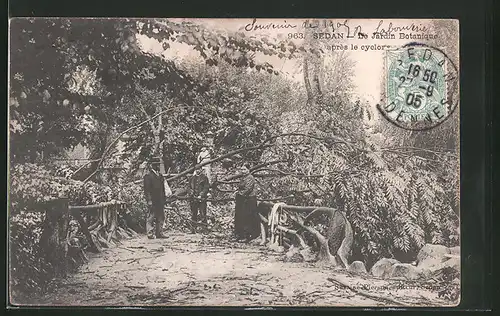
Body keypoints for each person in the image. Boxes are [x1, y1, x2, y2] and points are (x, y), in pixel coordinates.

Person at [234, 164, 260, 242]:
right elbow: (240, 187)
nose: (243, 171)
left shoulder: (250, 178)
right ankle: (240, 235)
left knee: (248, 217)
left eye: (244, 169)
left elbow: (248, 189)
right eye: (241, 169)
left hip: (249, 200)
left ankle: (248, 236)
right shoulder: (243, 178)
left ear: (248, 170)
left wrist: (239, 194)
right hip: (243, 199)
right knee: (240, 217)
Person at [143, 157, 167, 239]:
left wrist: (164, 199)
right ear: (152, 166)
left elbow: (163, 189)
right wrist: (149, 200)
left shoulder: (160, 176)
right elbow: (147, 190)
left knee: (161, 216)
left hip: (160, 200)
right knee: (151, 216)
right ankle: (150, 233)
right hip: (153, 200)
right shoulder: (148, 176)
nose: (158, 166)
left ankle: (159, 233)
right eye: (156, 165)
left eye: (158, 165)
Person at [189, 168, 210, 233]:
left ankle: (204, 229)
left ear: (201, 170)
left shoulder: (204, 178)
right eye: (196, 169)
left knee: (203, 213)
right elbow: (189, 187)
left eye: (199, 169)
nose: (198, 170)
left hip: (201, 199)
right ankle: (193, 229)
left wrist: (201, 195)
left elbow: (206, 188)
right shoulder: (192, 178)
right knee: (193, 214)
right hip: (194, 199)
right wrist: (191, 193)